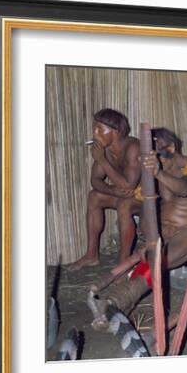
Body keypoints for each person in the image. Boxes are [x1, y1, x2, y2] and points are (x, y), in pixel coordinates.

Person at [91, 127, 187, 321]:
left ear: (171, 148)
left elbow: (184, 189)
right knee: (148, 253)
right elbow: (153, 199)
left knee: (157, 260)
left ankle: (119, 300)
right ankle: (122, 301)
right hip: (165, 230)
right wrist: (150, 237)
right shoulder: (159, 169)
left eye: (158, 158)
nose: (155, 163)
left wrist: (157, 172)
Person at [68, 108, 142, 270]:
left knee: (125, 205)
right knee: (94, 196)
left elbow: (129, 185)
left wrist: (102, 160)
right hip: (124, 194)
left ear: (115, 132)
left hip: (145, 197)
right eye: (95, 128)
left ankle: (124, 262)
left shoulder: (133, 147)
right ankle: (91, 255)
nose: (95, 133)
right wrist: (113, 190)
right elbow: (95, 180)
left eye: (100, 129)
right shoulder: (105, 150)